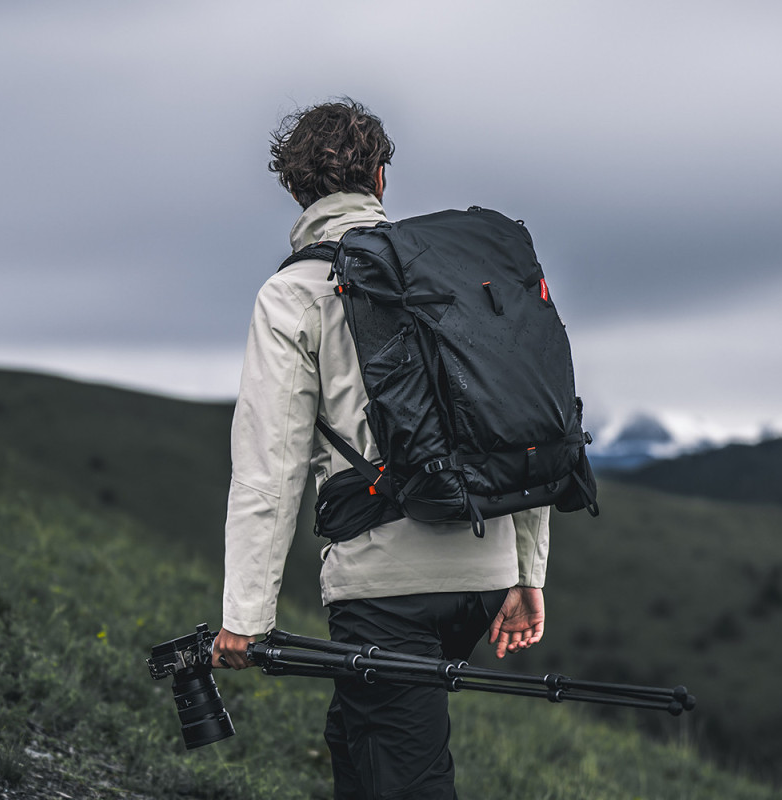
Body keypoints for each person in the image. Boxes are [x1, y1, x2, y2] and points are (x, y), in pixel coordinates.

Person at [211, 99, 550, 800]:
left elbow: (269, 469)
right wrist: (525, 572)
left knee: (398, 772)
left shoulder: (292, 294)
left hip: (386, 586)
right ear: (381, 179)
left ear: (296, 190)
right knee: (361, 742)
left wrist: (246, 617)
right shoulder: (455, 273)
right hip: (484, 574)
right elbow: (518, 417)